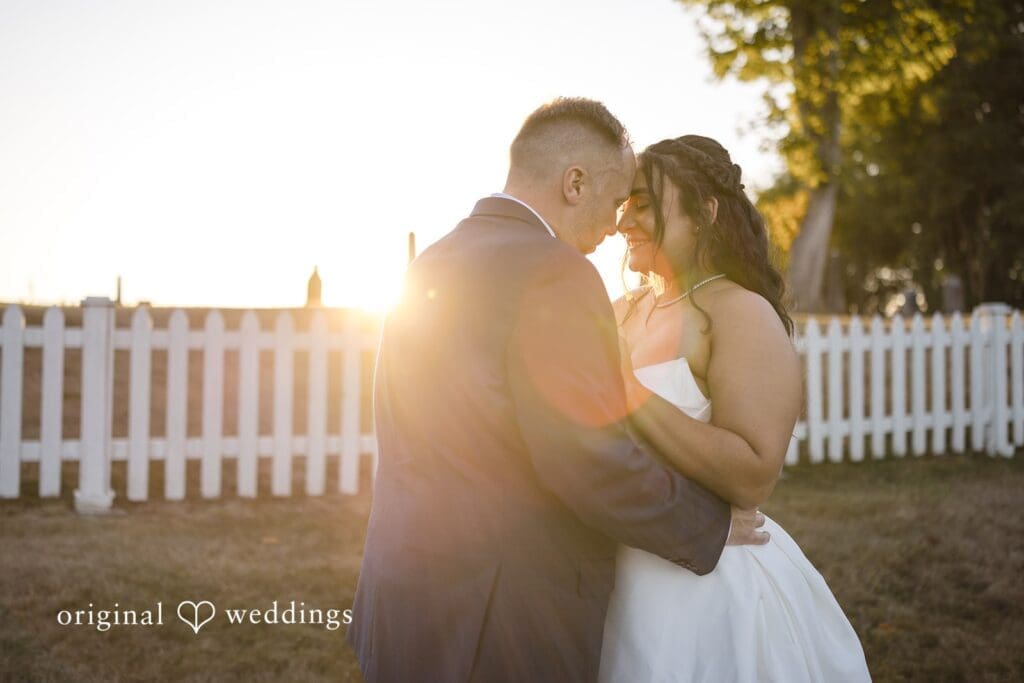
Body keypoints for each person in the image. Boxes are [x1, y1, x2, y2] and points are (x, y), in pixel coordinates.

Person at [345, 99, 766, 682]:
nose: (614, 227)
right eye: (616, 200)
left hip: (404, 600)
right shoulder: (556, 271)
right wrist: (707, 525)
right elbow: (585, 457)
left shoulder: (431, 264)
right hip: (501, 617)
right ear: (575, 183)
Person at [599, 134, 871, 682]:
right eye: (622, 205)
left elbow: (752, 474)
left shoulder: (739, 313)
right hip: (605, 570)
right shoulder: (617, 311)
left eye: (644, 204)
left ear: (705, 213)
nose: (624, 221)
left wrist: (628, 392)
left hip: (705, 590)